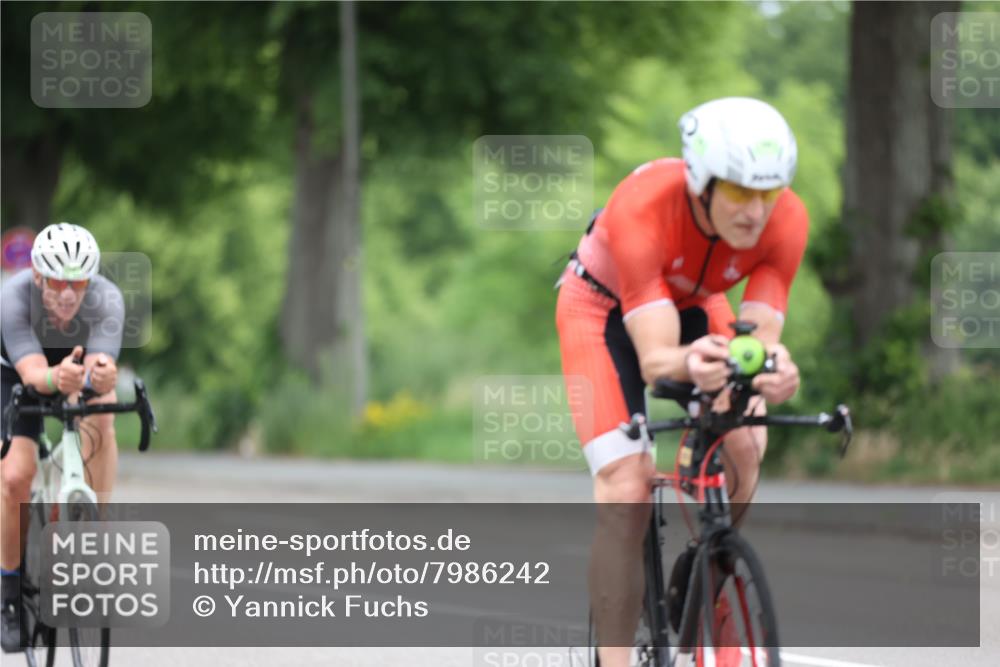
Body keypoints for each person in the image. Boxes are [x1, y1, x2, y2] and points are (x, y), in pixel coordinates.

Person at [555, 97, 807, 666]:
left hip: (696, 304)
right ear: (701, 182)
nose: (756, 212)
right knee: (627, 490)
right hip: (602, 311)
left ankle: (710, 570)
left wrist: (774, 369)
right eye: (739, 191)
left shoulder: (786, 219)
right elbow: (656, 360)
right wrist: (692, 364)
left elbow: (759, 342)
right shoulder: (643, 206)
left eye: (769, 192)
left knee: (747, 439)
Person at [0, 223, 124, 653]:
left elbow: (100, 364)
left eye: (79, 283)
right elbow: (35, 374)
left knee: (102, 413)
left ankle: (91, 521)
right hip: (14, 374)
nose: (69, 294)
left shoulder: (107, 298)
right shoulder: (13, 297)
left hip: (73, 368)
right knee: (15, 476)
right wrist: (57, 378)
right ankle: (9, 593)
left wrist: (101, 374)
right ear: (37, 276)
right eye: (57, 282)